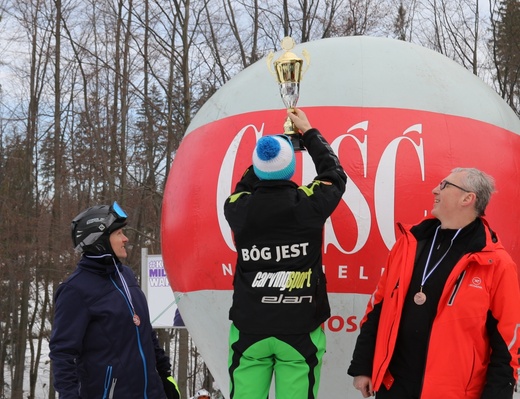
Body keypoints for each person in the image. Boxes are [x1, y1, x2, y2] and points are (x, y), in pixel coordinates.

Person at [347, 168, 520, 399]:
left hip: (452, 392)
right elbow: (378, 307)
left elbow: (507, 343)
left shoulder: (496, 263)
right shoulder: (408, 245)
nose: (435, 189)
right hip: (394, 386)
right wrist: (363, 365)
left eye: (445, 185)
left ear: (468, 198)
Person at [224, 108, 347, 399]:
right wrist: (309, 134)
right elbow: (335, 175)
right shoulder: (309, 204)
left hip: (249, 328)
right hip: (300, 328)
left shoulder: (237, 207)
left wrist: (270, 150)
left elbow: (244, 184)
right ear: (290, 168)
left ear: (257, 167)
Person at [49, 201, 181, 399]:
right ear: (98, 239)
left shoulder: (126, 275)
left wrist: (165, 376)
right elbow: (63, 354)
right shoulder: (75, 290)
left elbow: (145, 331)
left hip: (152, 393)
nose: (126, 239)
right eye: (119, 233)